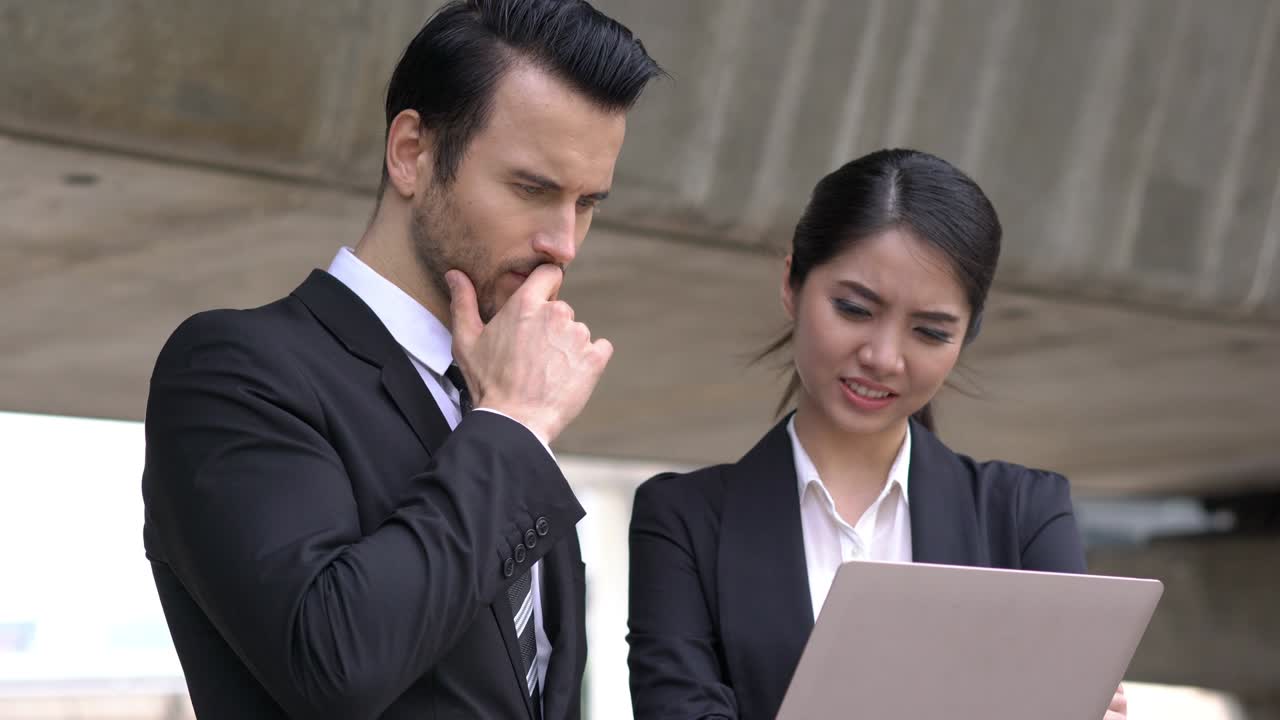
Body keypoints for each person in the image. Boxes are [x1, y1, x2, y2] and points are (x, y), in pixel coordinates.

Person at [141, 2, 662, 718]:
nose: (563, 243)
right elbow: (335, 663)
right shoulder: (234, 372)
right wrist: (514, 425)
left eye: (586, 203)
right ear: (412, 152)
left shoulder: (496, 405)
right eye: (532, 189)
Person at [626, 149, 1127, 720]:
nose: (884, 358)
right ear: (791, 283)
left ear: (966, 336)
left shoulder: (1024, 515)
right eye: (854, 309)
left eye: (930, 332)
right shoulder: (684, 523)